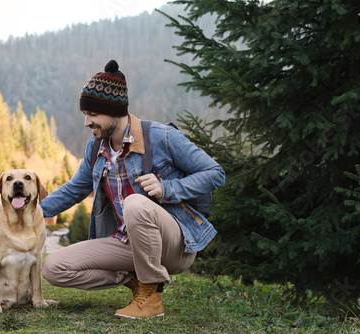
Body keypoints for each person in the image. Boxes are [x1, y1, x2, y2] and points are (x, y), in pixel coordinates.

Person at [41, 60, 225, 319]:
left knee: (135, 203)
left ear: (115, 111)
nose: (86, 122)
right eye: (85, 114)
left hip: (172, 245)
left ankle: (152, 298)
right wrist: (33, 211)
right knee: (53, 267)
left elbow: (215, 173)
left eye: (92, 114)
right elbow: (74, 189)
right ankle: (137, 282)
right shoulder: (96, 149)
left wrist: (167, 188)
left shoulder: (161, 137)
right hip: (126, 242)